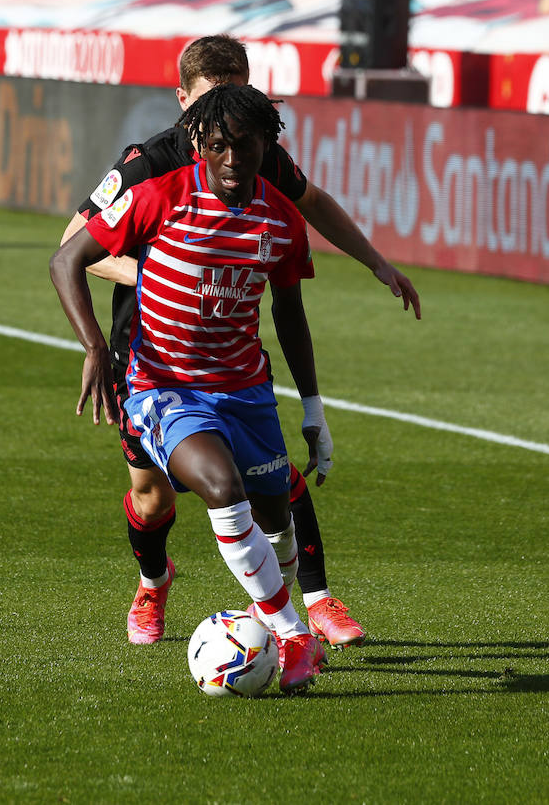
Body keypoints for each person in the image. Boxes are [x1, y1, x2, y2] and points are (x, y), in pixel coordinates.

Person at [58, 35, 420, 648]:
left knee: (273, 481)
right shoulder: (148, 165)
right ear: (183, 101)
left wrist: (375, 262)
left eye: (241, 93)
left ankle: (314, 602)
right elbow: (74, 242)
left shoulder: (256, 152)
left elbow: (313, 206)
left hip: (231, 363)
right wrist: (168, 270)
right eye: (213, 99)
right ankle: (153, 584)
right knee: (151, 499)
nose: (229, 113)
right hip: (148, 348)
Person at [52, 84, 335, 693]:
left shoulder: (282, 220)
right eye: (219, 147)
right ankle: (292, 634)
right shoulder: (158, 196)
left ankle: (283, 616)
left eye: (247, 147)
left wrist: (313, 409)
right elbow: (65, 259)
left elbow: (290, 315)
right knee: (217, 487)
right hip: (165, 387)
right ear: (201, 143)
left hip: (247, 391)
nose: (233, 161)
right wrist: (97, 348)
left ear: (269, 144)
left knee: (273, 512)